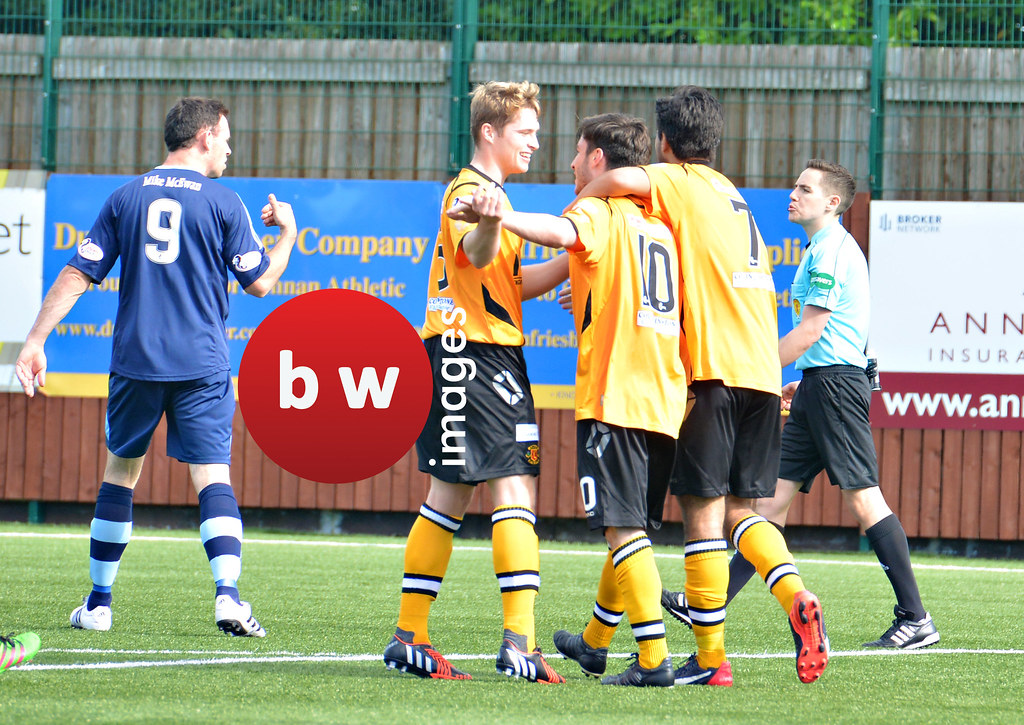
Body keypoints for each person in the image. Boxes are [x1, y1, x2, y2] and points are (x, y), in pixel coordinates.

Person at [15, 97, 298, 637]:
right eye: (226, 135)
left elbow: (79, 271)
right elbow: (261, 282)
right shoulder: (222, 201)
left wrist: (36, 338)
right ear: (205, 137)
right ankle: (229, 598)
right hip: (202, 364)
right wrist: (287, 233)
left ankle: (99, 605)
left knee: (120, 472)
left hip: (136, 362)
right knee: (212, 476)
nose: (231, 146)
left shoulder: (125, 197)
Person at [577, 86, 828, 686]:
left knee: (702, 515)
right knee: (745, 510)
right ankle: (795, 594)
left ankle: (710, 660)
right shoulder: (730, 194)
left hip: (712, 375)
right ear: (715, 142)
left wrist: (586, 197)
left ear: (665, 144)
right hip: (764, 375)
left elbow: (615, 184)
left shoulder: (674, 181)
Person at [457, 113, 688, 687]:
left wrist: (499, 214)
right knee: (631, 523)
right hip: (664, 395)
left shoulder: (597, 208)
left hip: (616, 394)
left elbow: (565, 233)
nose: (570, 164)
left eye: (578, 154)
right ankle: (594, 643)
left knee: (620, 529)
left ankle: (653, 659)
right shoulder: (657, 223)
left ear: (599, 161)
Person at [382, 81, 568, 683]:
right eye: (526, 132)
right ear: (490, 132)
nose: (536, 144)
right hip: (479, 357)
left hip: (463, 351)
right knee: (513, 491)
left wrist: (576, 255)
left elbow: (508, 280)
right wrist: (492, 221)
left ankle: (410, 636)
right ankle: (521, 642)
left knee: (448, 497)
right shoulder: (472, 191)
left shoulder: (493, 198)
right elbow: (479, 253)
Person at [716, 159, 940, 650]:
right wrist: (806, 382)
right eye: (794, 186)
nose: (792, 195)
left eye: (804, 189)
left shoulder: (832, 250)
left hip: (835, 386)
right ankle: (707, 604)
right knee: (770, 504)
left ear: (831, 202)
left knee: (865, 500)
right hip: (821, 385)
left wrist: (757, 376)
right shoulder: (822, 247)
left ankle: (916, 618)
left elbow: (812, 330)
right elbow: (823, 337)